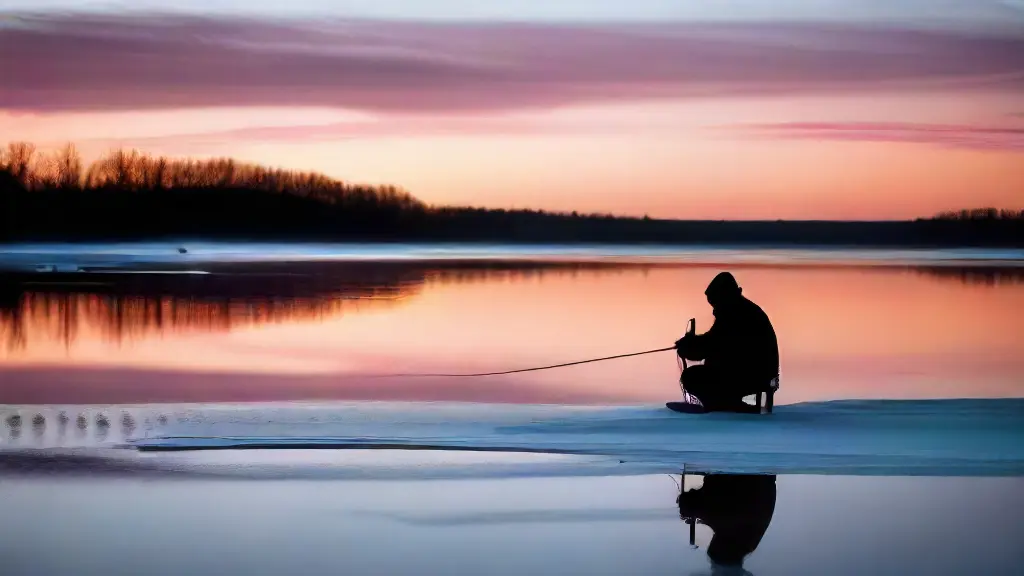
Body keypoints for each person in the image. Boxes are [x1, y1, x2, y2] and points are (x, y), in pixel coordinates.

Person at [675, 272, 778, 412]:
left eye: (715, 304)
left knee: (691, 377)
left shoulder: (736, 315)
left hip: (751, 379)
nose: (714, 311)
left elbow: (710, 345)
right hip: (757, 378)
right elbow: (714, 341)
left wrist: (689, 346)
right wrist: (692, 344)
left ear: (724, 297)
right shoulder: (745, 310)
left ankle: (722, 404)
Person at [677, 473, 778, 571]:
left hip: (763, 474)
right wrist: (689, 511)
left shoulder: (750, 540)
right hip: (739, 470)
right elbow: (689, 502)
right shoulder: (721, 518)